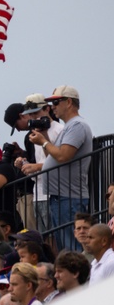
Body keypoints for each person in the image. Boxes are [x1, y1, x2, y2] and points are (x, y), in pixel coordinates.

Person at [34, 86, 93, 252]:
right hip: (61, 196)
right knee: (64, 249)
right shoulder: (69, 126)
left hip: (69, 197)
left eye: (56, 102)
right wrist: (44, 136)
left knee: (72, 248)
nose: (53, 107)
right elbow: (52, 156)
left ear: (69, 102)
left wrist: (43, 142)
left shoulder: (77, 126)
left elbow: (63, 156)